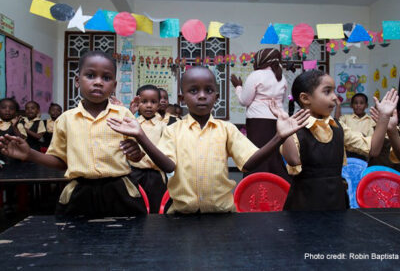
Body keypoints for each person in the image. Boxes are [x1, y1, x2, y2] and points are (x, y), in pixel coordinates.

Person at [107, 66, 310, 214]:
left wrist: (279, 137)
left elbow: (249, 163)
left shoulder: (227, 129)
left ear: (217, 96)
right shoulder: (173, 130)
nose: (202, 96)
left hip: (223, 216)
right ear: (182, 97)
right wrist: (141, 136)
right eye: (193, 91)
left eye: (208, 91)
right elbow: (168, 166)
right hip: (181, 216)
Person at [0, 50, 147, 217]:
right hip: (79, 192)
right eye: (90, 75)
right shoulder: (65, 119)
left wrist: (135, 154)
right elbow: (61, 161)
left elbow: (135, 156)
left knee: (126, 238)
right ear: (77, 81)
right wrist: (30, 154)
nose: (98, 82)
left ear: (113, 86)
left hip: (119, 191)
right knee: (75, 239)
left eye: (106, 78)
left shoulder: (123, 115)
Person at [280, 70, 397, 211]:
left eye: (334, 91)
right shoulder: (293, 129)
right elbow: (293, 160)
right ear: (305, 98)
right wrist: (284, 134)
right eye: (327, 91)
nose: (335, 97)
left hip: (337, 202)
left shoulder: (338, 127)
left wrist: (384, 117)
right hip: (304, 205)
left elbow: (373, 149)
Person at [231, 48, 289, 181]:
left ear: (260, 59)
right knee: (274, 155)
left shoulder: (256, 75)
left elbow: (244, 101)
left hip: (258, 121)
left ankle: (255, 183)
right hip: (278, 120)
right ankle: (277, 185)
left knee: (257, 154)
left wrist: (238, 87)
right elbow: (282, 101)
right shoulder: (282, 78)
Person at [129, 84, 167, 213]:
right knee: (135, 208)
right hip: (134, 172)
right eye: (144, 102)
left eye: (153, 102)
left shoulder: (163, 126)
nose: (149, 105)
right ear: (137, 103)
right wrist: (129, 113)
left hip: (155, 174)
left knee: (156, 209)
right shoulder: (132, 123)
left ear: (159, 104)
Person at [335, 93, 375, 160]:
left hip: (365, 154)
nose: (358, 105)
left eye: (361, 103)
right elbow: (336, 124)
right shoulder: (346, 118)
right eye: (355, 103)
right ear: (351, 105)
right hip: (348, 154)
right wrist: (338, 105)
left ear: (366, 105)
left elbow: (372, 140)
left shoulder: (371, 120)